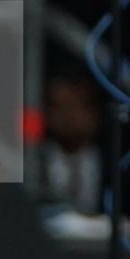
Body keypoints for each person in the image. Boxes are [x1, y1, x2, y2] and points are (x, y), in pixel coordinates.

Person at [39, 73, 105, 215]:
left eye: (75, 106)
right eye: (58, 107)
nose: (68, 116)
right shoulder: (33, 162)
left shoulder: (116, 166)